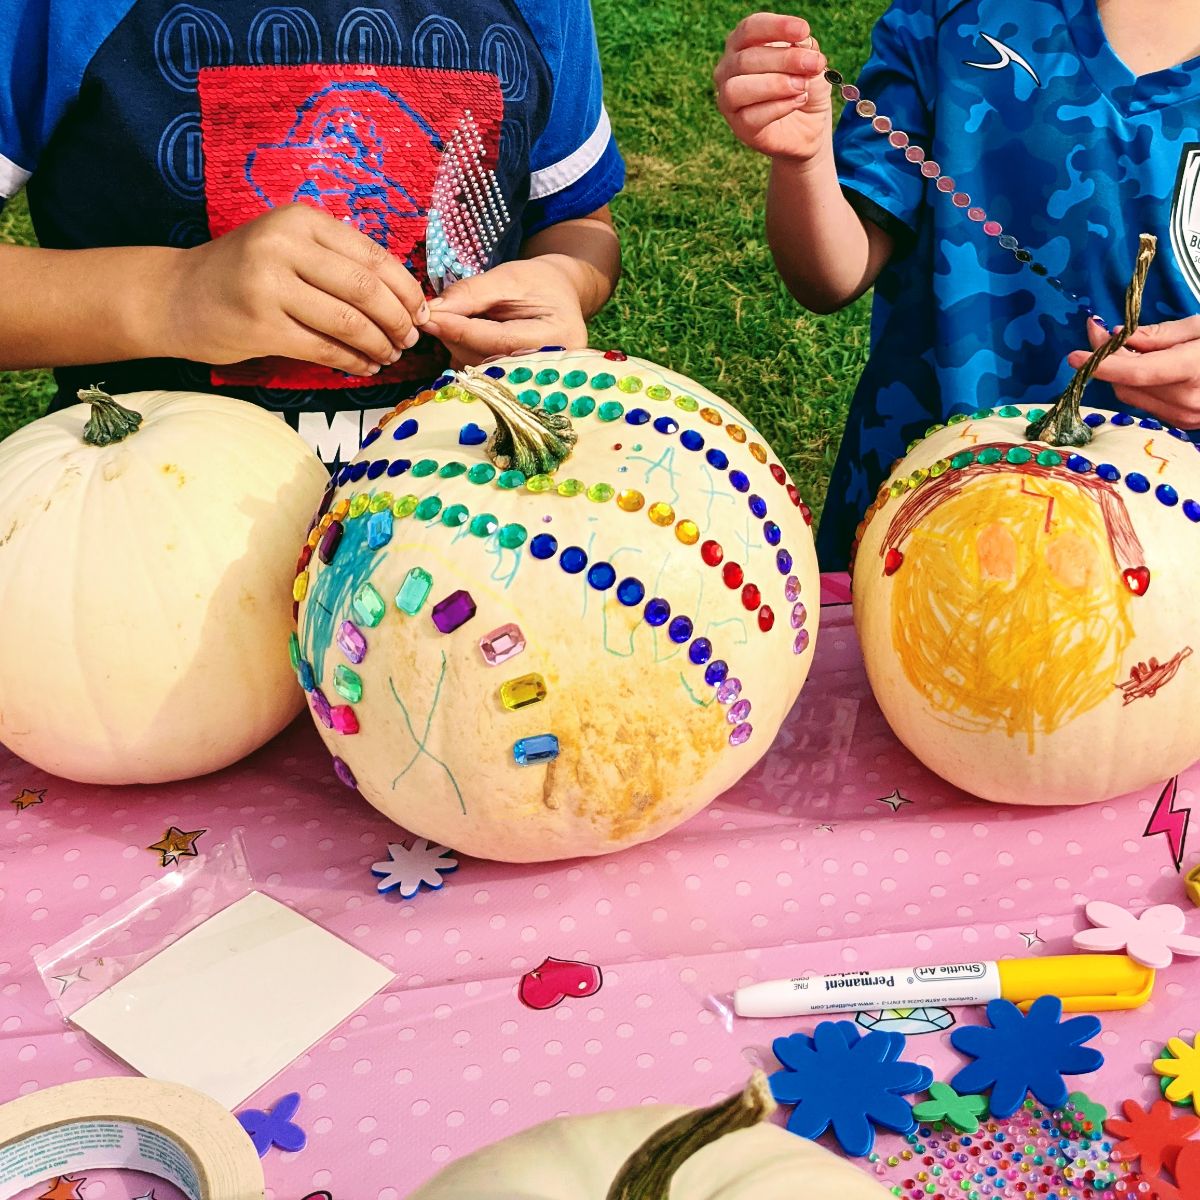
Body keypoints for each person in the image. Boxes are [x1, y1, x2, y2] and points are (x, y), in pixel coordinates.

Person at [0, 1, 623, 467]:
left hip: (461, 505)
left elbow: (575, 222)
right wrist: (171, 293)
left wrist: (563, 279)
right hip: (151, 520)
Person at [714, 3, 1200, 570]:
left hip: (1163, 550)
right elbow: (828, 277)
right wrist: (804, 162)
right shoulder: (952, 15)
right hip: (926, 515)